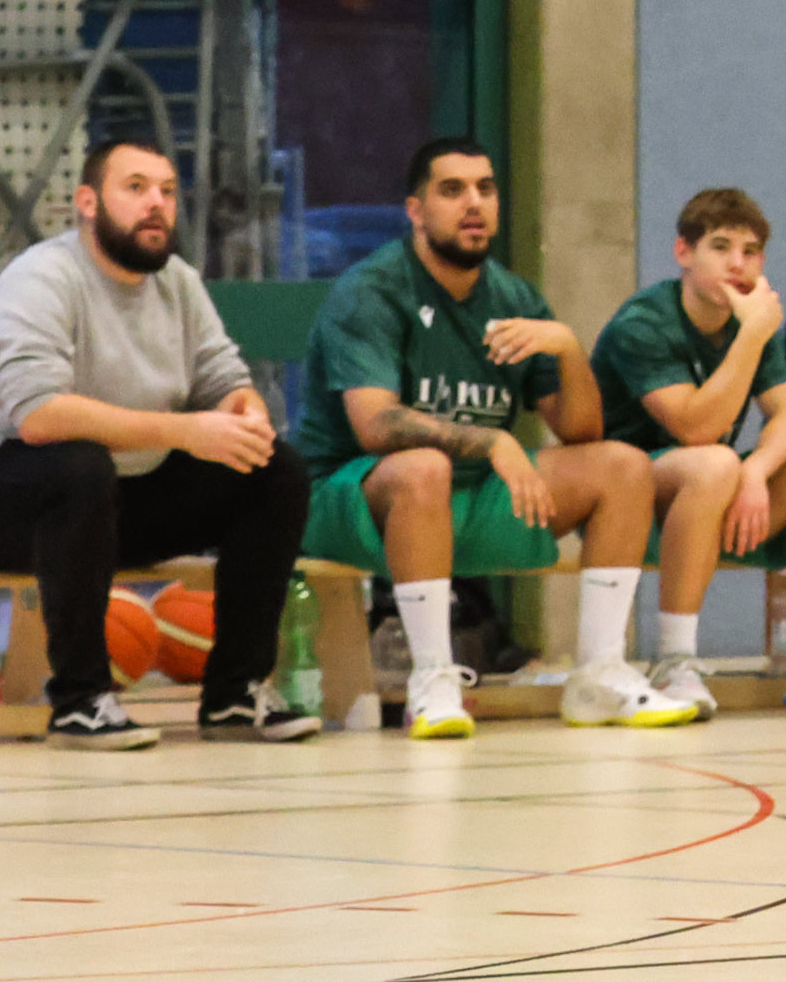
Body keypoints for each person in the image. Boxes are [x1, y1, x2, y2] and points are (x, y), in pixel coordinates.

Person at [0, 138, 314, 749]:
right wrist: (186, 431)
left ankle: (236, 694)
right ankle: (80, 702)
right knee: (77, 462)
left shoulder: (178, 283)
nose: (156, 203)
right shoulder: (41, 277)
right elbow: (40, 418)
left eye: (167, 191)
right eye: (135, 188)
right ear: (87, 203)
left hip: (113, 498)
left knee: (274, 470)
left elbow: (225, 380)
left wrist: (246, 416)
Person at [289, 138, 692, 736]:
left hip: (466, 497)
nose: (473, 203)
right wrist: (493, 442)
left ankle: (599, 673)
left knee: (623, 465)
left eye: (485, 188)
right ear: (416, 210)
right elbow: (375, 425)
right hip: (349, 499)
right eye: (452, 190)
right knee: (424, 466)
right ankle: (433, 678)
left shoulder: (513, 297)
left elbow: (582, 431)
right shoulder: (372, 290)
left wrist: (568, 349)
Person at [591, 186, 786, 716]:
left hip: (711, 484)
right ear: (683, 252)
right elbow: (693, 427)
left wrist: (758, 472)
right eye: (720, 247)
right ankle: (674, 661)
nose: (737, 264)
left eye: (751, 252)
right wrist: (752, 336)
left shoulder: (751, 326)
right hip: (628, 493)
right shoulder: (644, 323)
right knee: (714, 461)